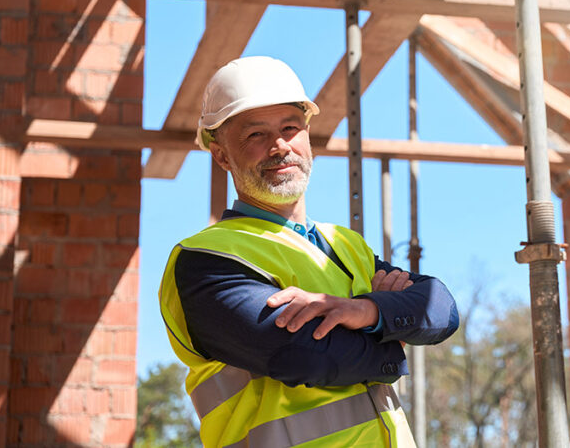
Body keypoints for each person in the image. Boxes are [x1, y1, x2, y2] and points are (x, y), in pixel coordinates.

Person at [159, 56, 459, 447]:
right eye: (256, 135)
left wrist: (366, 311)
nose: (279, 145)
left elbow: (440, 309)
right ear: (221, 155)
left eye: (290, 127)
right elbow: (304, 356)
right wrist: (393, 334)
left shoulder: (346, 245)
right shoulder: (205, 260)